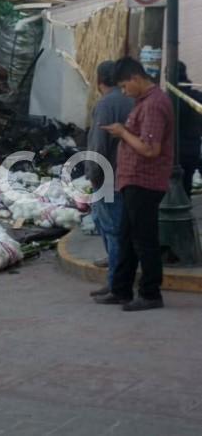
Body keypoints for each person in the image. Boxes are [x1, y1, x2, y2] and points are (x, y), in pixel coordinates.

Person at [96, 57, 174, 312]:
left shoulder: (153, 105)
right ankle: (121, 289)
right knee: (127, 236)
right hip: (133, 181)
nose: (124, 91)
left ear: (135, 79)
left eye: (124, 86)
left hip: (145, 181)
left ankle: (150, 293)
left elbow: (151, 149)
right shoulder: (143, 103)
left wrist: (122, 132)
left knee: (144, 240)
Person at [85, 61, 134, 297]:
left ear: (99, 80)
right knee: (112, 227)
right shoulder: (131, 99)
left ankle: (116, 284)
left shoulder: (106, 104)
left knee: (112, 230)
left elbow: (98, 145)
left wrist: (92, 175)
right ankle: (116, 276)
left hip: (107, 178)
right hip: (125, 176)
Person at [178, 62, 202, 197]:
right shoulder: (197, 97)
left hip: (175, 152)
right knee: (186, 187)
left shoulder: (171, 98)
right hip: (193, 149)